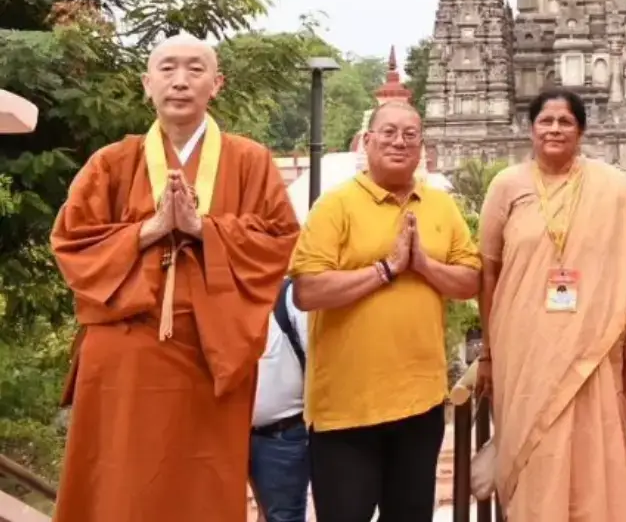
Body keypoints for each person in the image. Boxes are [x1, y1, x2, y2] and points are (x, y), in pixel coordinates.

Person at [50, 33, 300, 521]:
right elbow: (71, 243)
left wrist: (202, 229)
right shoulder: (111, 162)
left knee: (201, 486)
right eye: (167, 69)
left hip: (211, 353)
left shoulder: (250, 161)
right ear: (147, 84)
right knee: (119, 485)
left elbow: (279, 240)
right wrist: (150, 230)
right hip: (124, 352)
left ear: (217, 84)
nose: (180, 81)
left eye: (194, 69)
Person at [475, 89, 626, 520]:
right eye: (546, 121)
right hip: (524, 349)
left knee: (594, 454)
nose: (555, 129)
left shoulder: (613, 186)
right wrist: (487, 351)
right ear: (531, 129)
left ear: (581, 130)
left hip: (597, 346)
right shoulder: (507, 186)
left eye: (565, 122)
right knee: (533, 453)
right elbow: (488, 273)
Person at [289, 100, 481, 522]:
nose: (399, 142)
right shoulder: (334, 206)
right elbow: (307, 290)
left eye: (410, 135)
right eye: (389, 132)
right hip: (346, 409)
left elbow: (471, 280)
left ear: (422, 148)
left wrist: (424, 266)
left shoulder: (440, 206)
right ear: (367, 140)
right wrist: (387, 269)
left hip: (420, 402)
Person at [250, 278, 310, 522]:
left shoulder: (291, 295)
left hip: (283, 435)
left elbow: (316, 362)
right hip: (231, 434)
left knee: (282, 517)